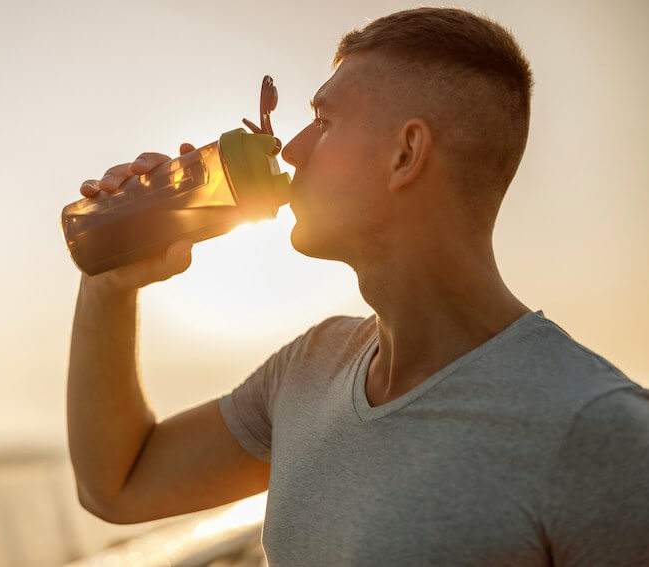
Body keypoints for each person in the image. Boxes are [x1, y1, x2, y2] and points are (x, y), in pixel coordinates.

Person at [66, 7, 649, 565]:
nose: (290, 150)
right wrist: (110, 286)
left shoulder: (601, 433)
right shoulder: (311, 368)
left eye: (323, 121)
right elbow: (119, 485)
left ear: (406, 154)